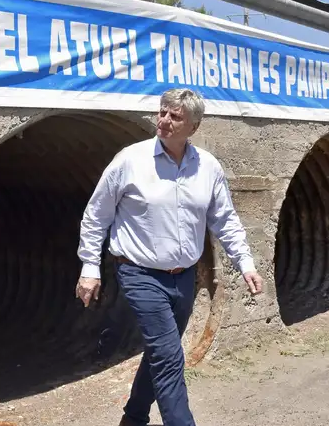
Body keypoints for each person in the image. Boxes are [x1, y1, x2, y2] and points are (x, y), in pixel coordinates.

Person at [75, 88, 264, 426]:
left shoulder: (207, 167)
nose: (164, 120)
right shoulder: (130, 160)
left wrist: (245, 262)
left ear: (193, 126)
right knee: (169, 357)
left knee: (161, 351)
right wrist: (90, 267)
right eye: (162, 111)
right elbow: (96, 215)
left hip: (184, 278)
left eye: (175, 116)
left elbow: (224, 219)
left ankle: (133, 418)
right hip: (139, 273)